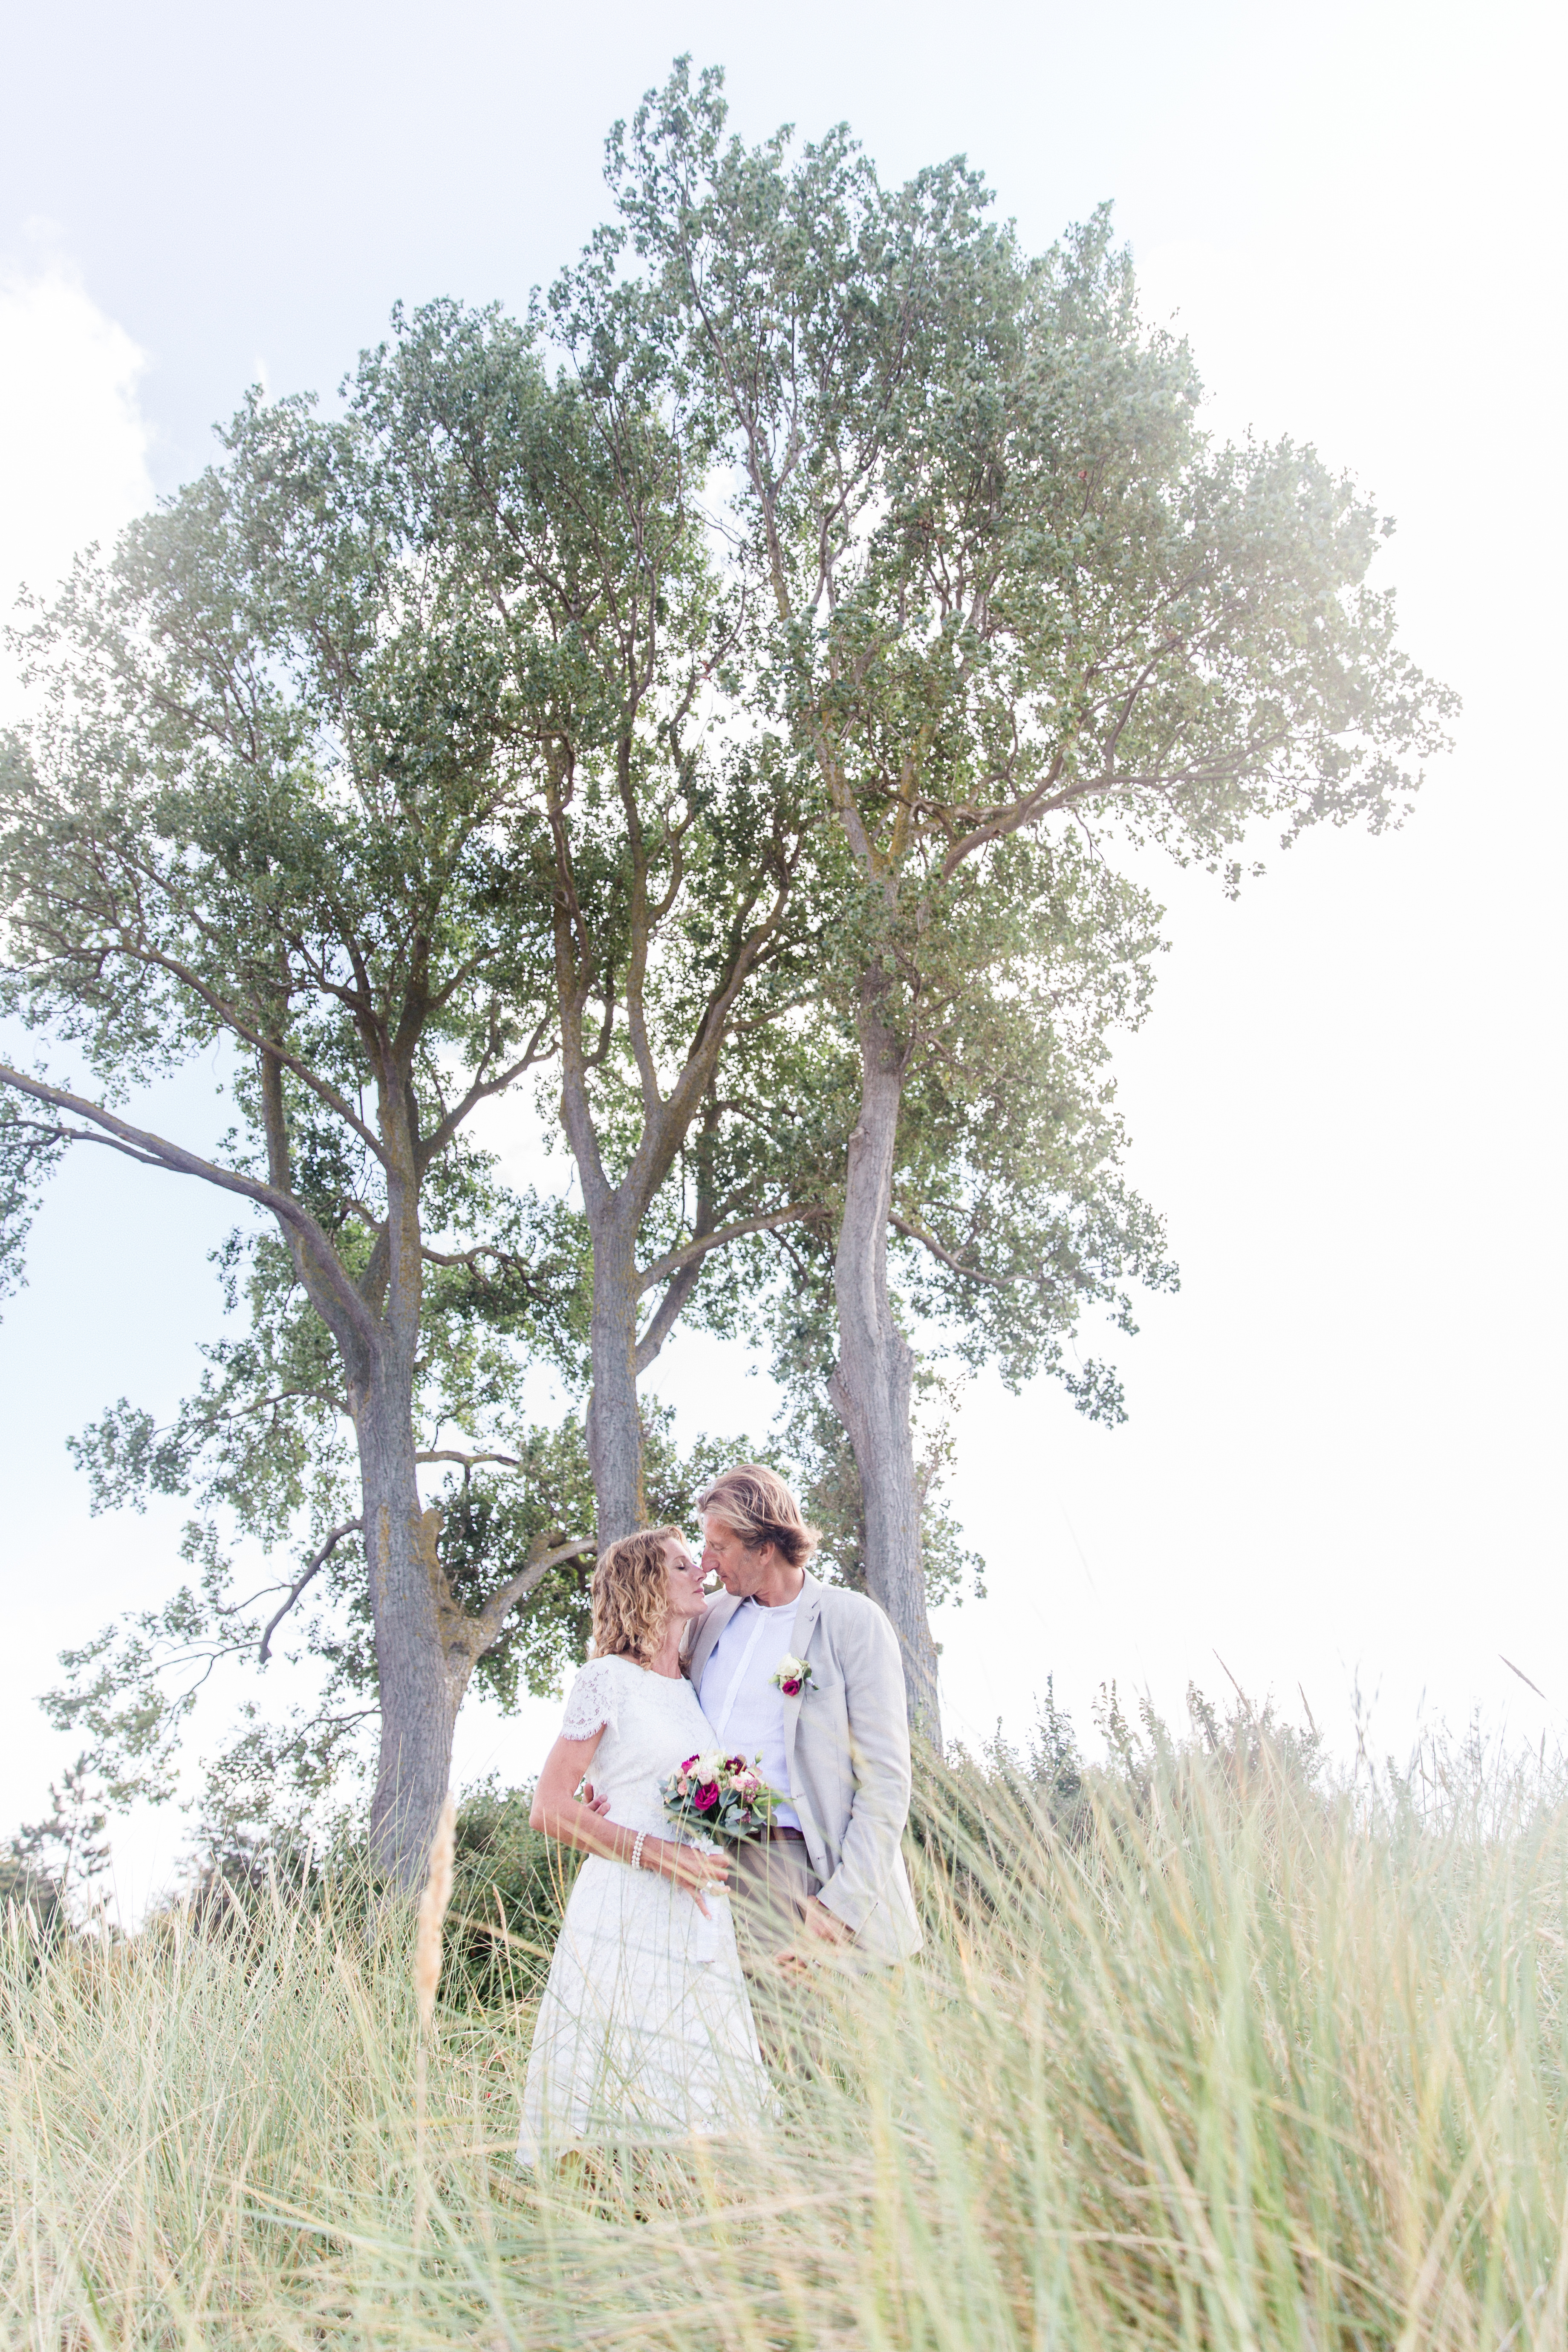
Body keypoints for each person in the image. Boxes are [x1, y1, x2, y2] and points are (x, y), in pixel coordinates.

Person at [516, 1527, 771, 2166]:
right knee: (620, 2079)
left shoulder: (690, 1687)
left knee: (697, 2080)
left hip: (696, 1908)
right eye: (681, 1564)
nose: (699, 1572)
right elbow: (549, 1806)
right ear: (644, 1584)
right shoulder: (606, 1679)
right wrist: (655, 1854)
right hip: (628, 1898)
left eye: (696, 1562)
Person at [687, 1465, 922, 1979]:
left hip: (789, 1865)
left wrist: (842, 1904)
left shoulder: (851, 1621)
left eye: (719, 1547)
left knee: (787, 2053)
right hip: (696, 1864)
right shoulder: (705, 1619)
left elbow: (886, 1779)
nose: (705, 1563)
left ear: (763, 1545)